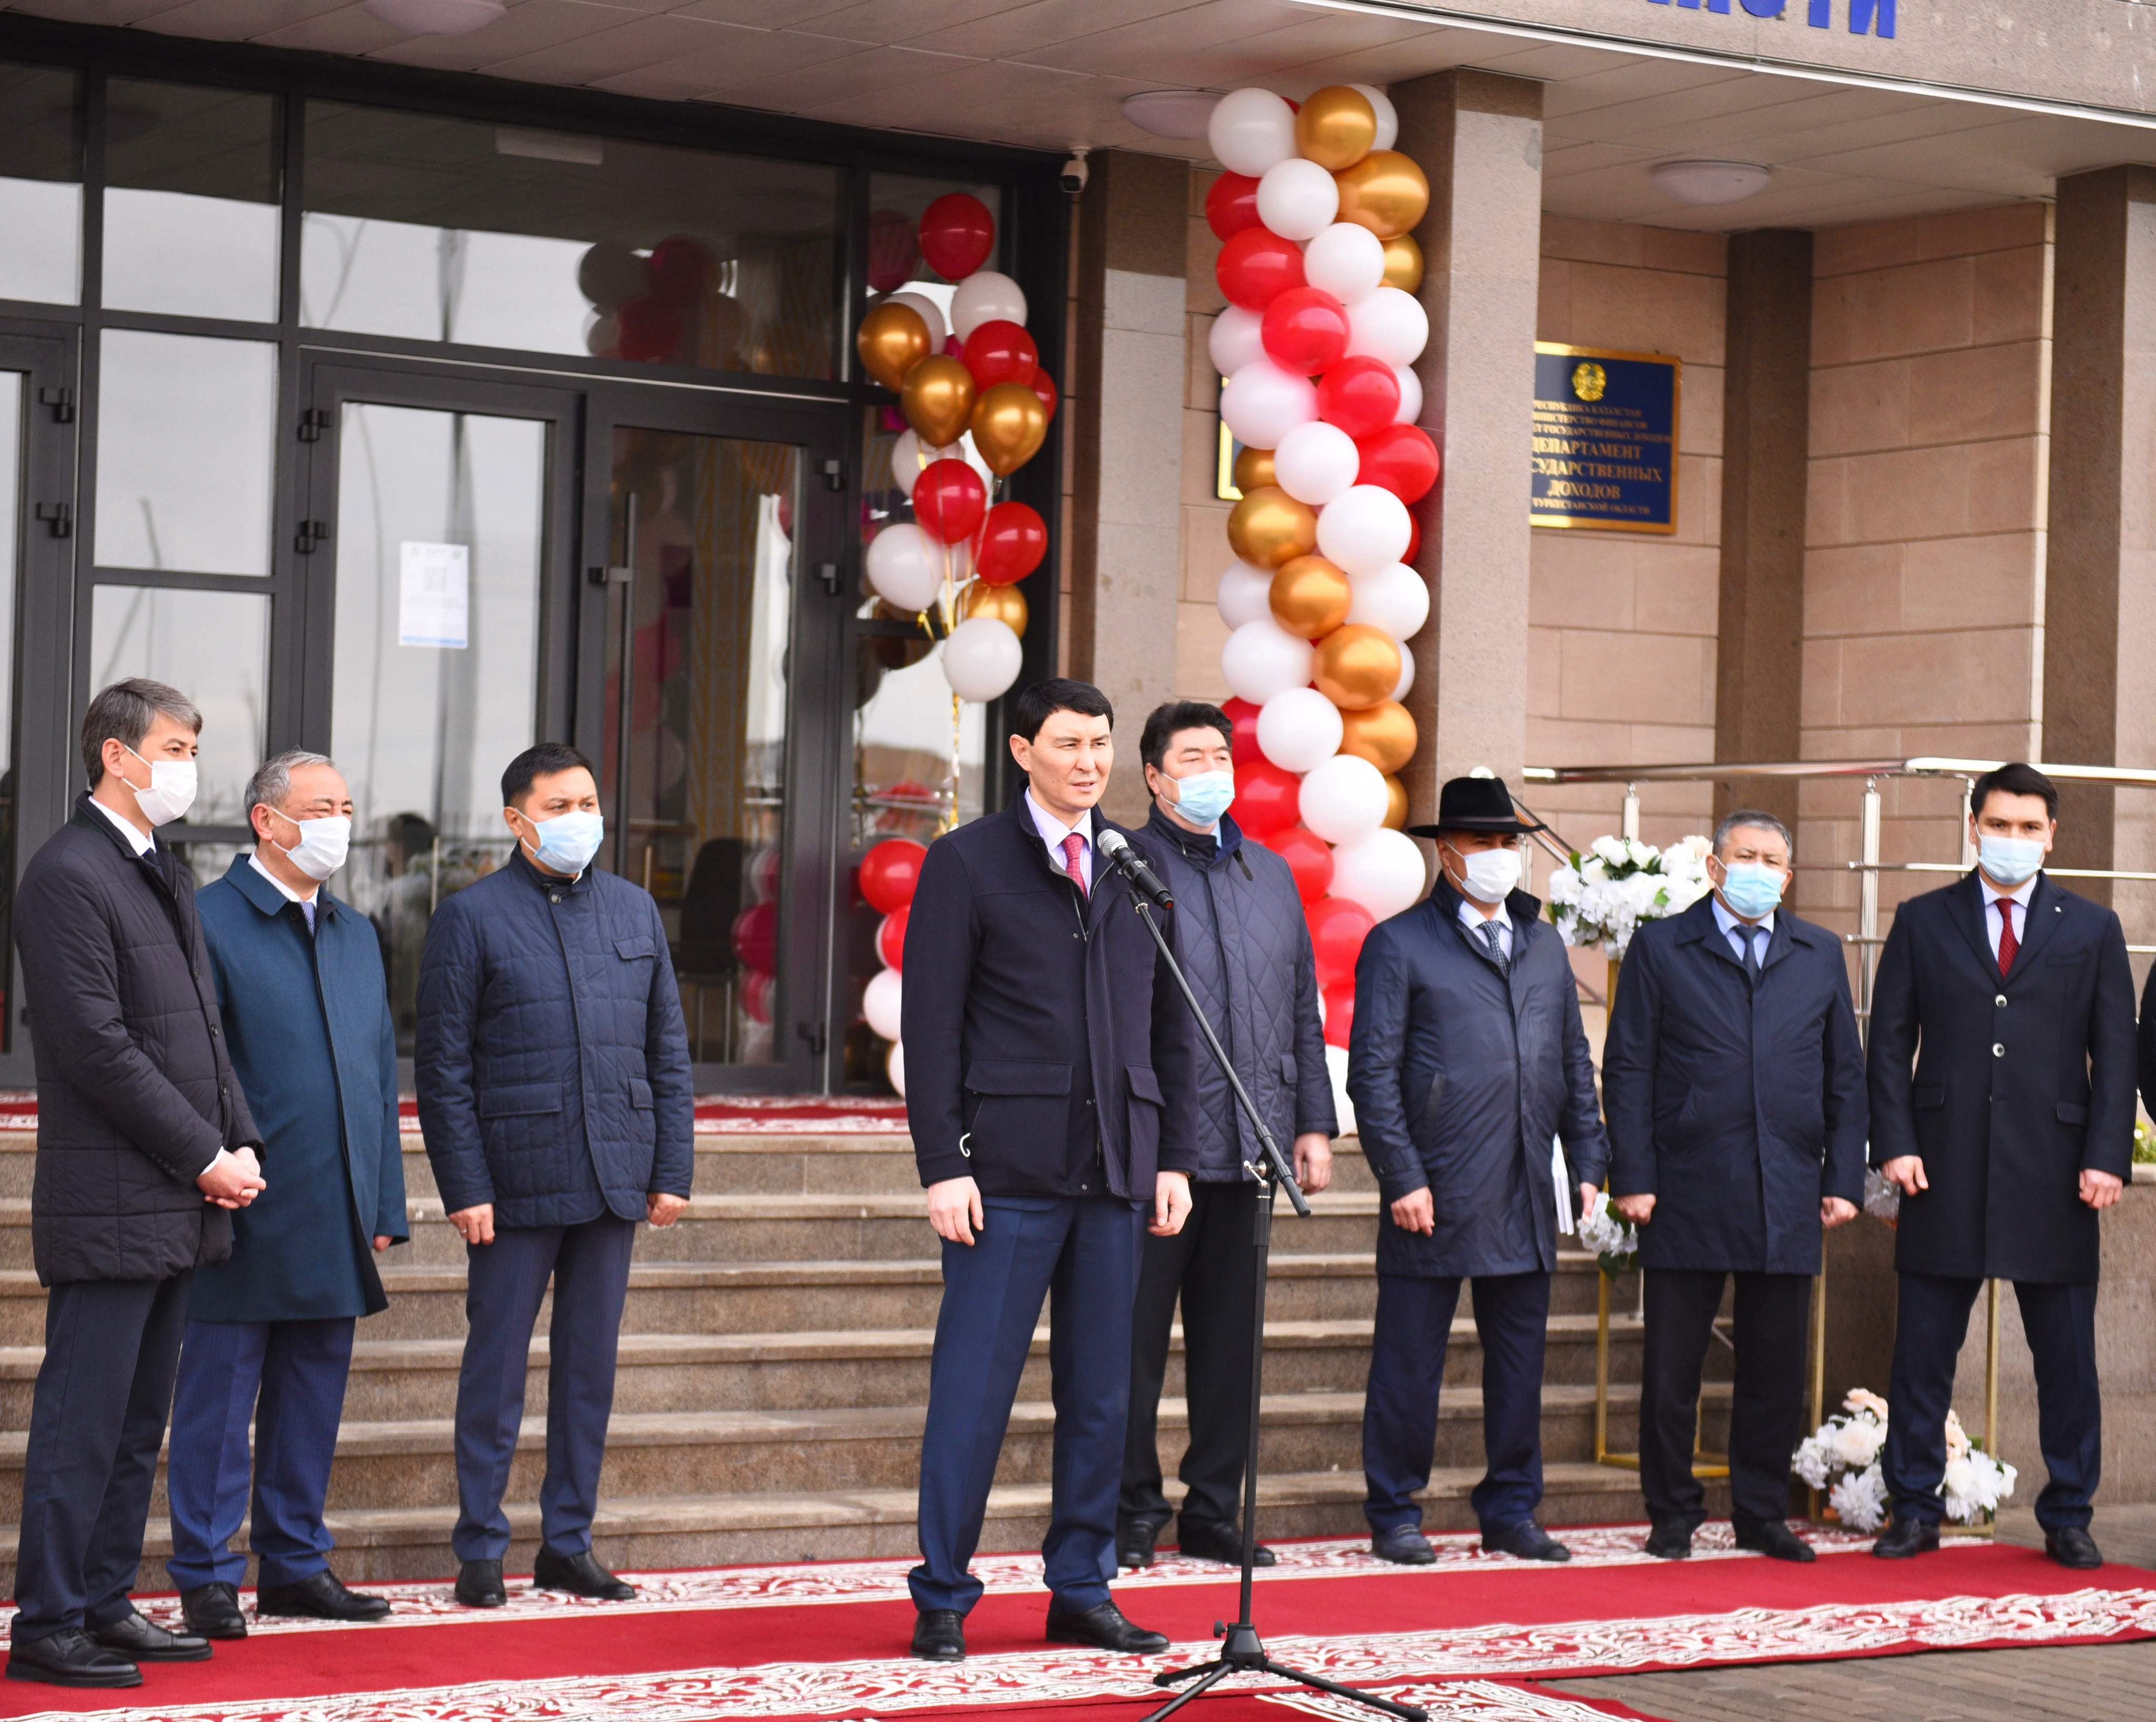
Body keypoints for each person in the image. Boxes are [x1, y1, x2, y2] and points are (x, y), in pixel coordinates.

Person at [901, 678, 1196, 1663]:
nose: (1089, 762)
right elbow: (932, 1026)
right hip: (1006, 1175)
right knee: (973, 1394)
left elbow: (1170, 1024)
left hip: (1116, 1173)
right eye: (1068, 743)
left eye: (1100, 743)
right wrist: (943, 1164)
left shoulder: (1136, 862)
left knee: (1103, 1399)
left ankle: (1082, 1587)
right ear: (1023, 750)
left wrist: (1174, 1157)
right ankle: (944, 1595)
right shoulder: (967, 861)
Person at [7, 681, 267, 1688]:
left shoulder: (161, 868)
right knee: (81, 1426)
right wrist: (204, 1153)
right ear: (116, 755)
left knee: (135, 1425)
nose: (188, 766)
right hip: (112, 1198)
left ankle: (105, 1603)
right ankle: (48, 1623)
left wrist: (240, 1141)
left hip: (176, 1199)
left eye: (194, 748)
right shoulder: (67, 875)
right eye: (174, 747)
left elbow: (204, 1028)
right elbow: (97, 1048)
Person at [416, 742, 693, 1608]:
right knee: (495, 1371)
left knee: (588, 1372)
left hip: (615, 1174)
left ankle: (568, 1543)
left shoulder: (634, 910)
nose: (581, 820)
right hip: (514, 1182)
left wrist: (672, 1168)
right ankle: (480, 1548)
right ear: (517, 819)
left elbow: (668, 1051)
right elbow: (444, 1069)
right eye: (560, 806)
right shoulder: (471, 917)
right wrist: (465, 1186)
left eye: (588, 804)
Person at [165, 751, 407, 1638]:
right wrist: (213, 1165)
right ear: (267, 821)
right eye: (321, 808)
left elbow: (378, 1073)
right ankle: (206, 1574)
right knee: (218, 1405)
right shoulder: (207, 922)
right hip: (241, 1201)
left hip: (336, 1208)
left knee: (312, 1398)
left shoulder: (355, 932)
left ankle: (296, 1564)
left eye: (347, 807)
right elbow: (195, 1067)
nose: (340, 823)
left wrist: (384, 1203)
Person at [1868, 762, 2133, 1568]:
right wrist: (1895, 1142)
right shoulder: (1921, 919)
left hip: (2058, 1173)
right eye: (1999, 824)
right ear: (1973, 827)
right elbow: (1888, 1043)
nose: (2012, 838)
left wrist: (2106, 1157)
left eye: (2028, 827)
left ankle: (2069, 1514)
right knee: (1922, 1354)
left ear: (2052, 837)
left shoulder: (2093, 928)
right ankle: (1914, 1509)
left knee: (2067, 1361)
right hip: (1939, 1166)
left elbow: (2115, 1055)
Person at [1349, 774, 1605, 1566]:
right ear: (1447, 851)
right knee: (1409, 1362)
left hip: (1525, 1183)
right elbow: (1372, 1074)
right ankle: (1395, 1511)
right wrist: (1402, 1176)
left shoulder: (1542, 944)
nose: (1499, 855)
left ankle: (1512, 1509)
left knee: (1521, 1364)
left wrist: (1589, 1158)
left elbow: (1572, 1059)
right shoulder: (1399, 943)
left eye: (1508, 842)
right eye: (1482, 842)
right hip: (1436, 1185)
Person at [1601, 810, 1866, 1562]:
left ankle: (1760, 1513)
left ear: (1789, 875)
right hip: (1686, 1183)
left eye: (1772, 860)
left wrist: (1843, 1177)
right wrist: (1634, 1175)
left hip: (1787, 1184)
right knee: (1673, 1368)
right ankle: (1672, 1512)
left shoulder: (1819, 952)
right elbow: (1628, 1067)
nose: (1758, 870)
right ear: (1715, 868)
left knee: (1775, 1366)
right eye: (1744, 856)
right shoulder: (1662, 947)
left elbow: (1844, 1075)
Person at [1117, 701, 1334, 1572]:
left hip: (1253, 1142)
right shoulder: (1126, 867)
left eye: (1221, 755)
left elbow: (1301, 1005)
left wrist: (1313, 1121)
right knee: (1131, 1346)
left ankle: (1213, 1509)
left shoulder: (1269, 874)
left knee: (1230, 1349)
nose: (1212, 771)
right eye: (1192, 758)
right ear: (1155, 776)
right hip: (1157, 1153)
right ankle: (1132, 1508)